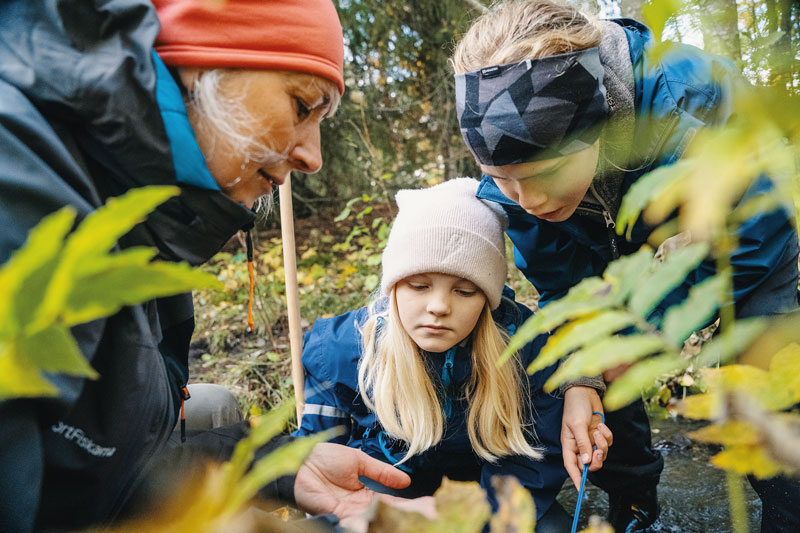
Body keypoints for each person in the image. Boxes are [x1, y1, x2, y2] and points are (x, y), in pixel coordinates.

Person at [0, 0, 412, 530]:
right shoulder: (25, 192)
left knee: (212, 402)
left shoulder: (145, 213)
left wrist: (277, 466)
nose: (314, 156)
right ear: (203, 62)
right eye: (302, 104)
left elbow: (104, 466)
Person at [452, 1, 800, 531]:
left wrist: (650, 329)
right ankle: (632, 503)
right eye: (501, 177)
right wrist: (583, 382)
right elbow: (565, 287)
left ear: (595, 129)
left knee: (768, 373)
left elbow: (761, 235)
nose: (525, 200)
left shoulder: (688, 105)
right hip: (614, 221)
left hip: (748, 226)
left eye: (542, 173)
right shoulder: (523, 191)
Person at [294, 178, 613, 532]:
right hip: (385, 482)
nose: (439, 307)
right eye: (419, 286)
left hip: (487, 490)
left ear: (487, 299)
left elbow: (533, 461)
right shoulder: (340, 351)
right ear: (394, 286)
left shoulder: (527, 349)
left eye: (464, 291)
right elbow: (320, 457)